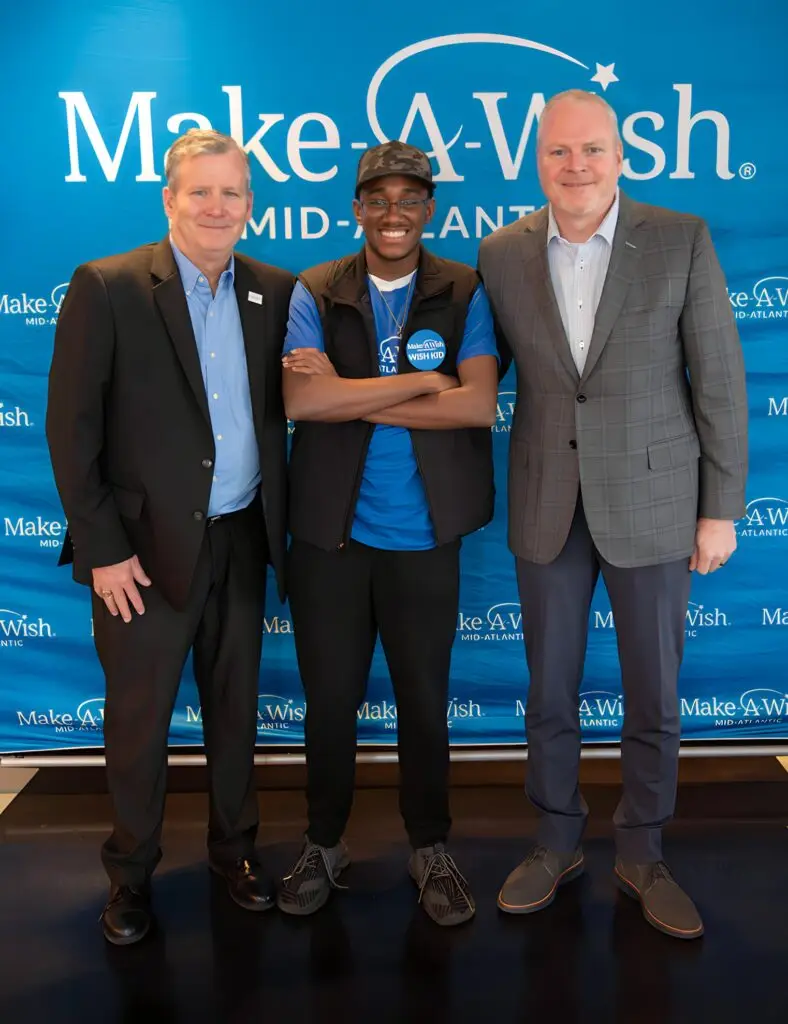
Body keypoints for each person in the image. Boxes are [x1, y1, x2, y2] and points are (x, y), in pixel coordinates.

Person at [478, 90, 747, 939]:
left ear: (621, 155)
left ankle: (642, 849)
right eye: (559, 152)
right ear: (538, 161)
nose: (576, 166)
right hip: (547, 505)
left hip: (658, 503)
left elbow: (720, 382)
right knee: (548, 691)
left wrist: (720, 509)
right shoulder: (501, 252)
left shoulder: (681, 238)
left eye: (592, 149)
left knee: (653, 693)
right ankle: (556, 840)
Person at [46, 129, 294, 945]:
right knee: (140, 722)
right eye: (202, 192)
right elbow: (70, 428)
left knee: (235, 716)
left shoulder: (273, 289)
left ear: (250, 205)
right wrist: (103, 549)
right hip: (141, 556)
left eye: (233, 193)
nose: (218, 207)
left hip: (242, 541)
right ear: (170, 200)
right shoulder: (110, 286)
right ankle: (130, 875)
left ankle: (235, 854)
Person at [278, 140, 502, 926]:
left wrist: (350, 395)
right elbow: (302, 405)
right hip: (330, 539)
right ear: (358, 209)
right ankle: (324, 841)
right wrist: (415, 383)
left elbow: (475, 406)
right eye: (379, 199)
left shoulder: (465, 288)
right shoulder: (315, 288)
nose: (395, 213)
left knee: (424, 702)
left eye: (410, 199)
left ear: (428, 208)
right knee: (329, 702)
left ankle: (429, 846)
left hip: (425, 536)